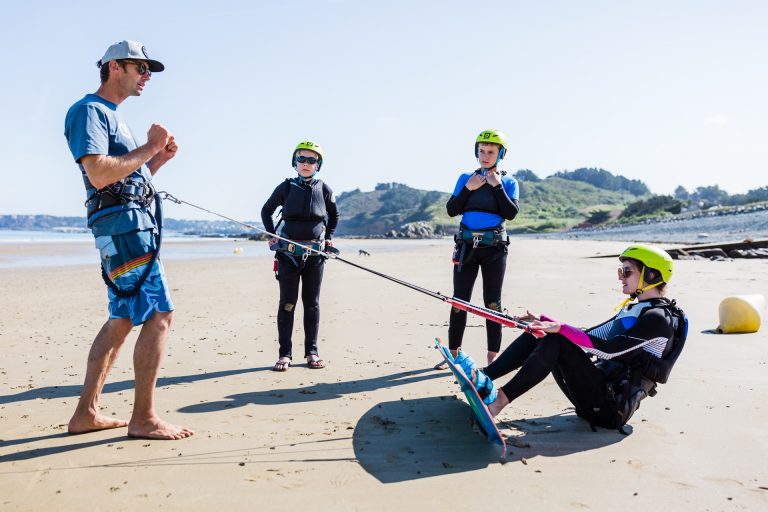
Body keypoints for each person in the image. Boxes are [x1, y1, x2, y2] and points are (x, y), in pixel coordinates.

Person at [63, 40, 192, 440]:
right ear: (114, 67)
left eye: (149, 71)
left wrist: (157, 161)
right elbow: (100, 174)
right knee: (158, 314)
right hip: (124, 229)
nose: (147, 77)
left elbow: (126, 177)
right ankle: (144, 418)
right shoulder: (90, 111)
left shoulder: (113, 116)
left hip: (126, 224)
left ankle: (86, 413)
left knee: (122, 319)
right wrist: (150, 146)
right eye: (141, 68)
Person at [456, 244, 687, 432]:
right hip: (596, 391)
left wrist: (560, 329)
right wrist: (545, 321)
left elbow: (608, 350)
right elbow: (589, 337)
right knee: (546, 333)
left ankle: (497, 403)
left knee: (557, 338)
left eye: (627, 271)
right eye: (620, 272)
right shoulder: (636, 309)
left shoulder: (658, 318)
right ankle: (482, 378)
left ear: (652, 275)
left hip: (610, 409)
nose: (621, 277)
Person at [435, 129, 520, 370]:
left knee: (492, 303)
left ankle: (493, 357)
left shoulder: (509, 182)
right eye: (481, 150)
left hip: (494, 249)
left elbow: (510, 213)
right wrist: (468, 189)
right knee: (459, 301)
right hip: (466, 248)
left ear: (500, 154)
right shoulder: (465, 178)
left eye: (491, 151)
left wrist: (496, 187)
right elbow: (452, 209)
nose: (485, 155)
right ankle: (452, 354)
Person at [261, 141, 340, 371]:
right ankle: (285, 354)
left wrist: (329, 238)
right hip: (288, 255)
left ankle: (311, 352)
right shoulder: (286, 187)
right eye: (301, 159)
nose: (306, 164)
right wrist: (271, 235)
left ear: (318, 164)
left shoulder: (324, 189)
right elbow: (266, 210)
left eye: (311, 160)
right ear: (294, 162)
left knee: (312, 304)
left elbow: (334, 216)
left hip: (315, 256)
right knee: (287, 303)